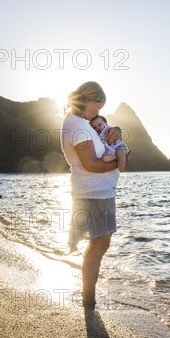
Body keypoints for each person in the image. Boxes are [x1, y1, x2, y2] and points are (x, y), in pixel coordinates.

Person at [60, 81, 126, 309]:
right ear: (89, 100)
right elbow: (92, 165)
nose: (98, 112)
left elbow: (105, 141)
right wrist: (118, 163)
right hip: (95, 194)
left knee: (99, 243)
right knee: (99, 244)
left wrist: (116, 133)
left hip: (96, 193)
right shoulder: (76, 125)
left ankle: (88, 296)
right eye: (98, 107)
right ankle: (88, 298)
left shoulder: (81, 124)